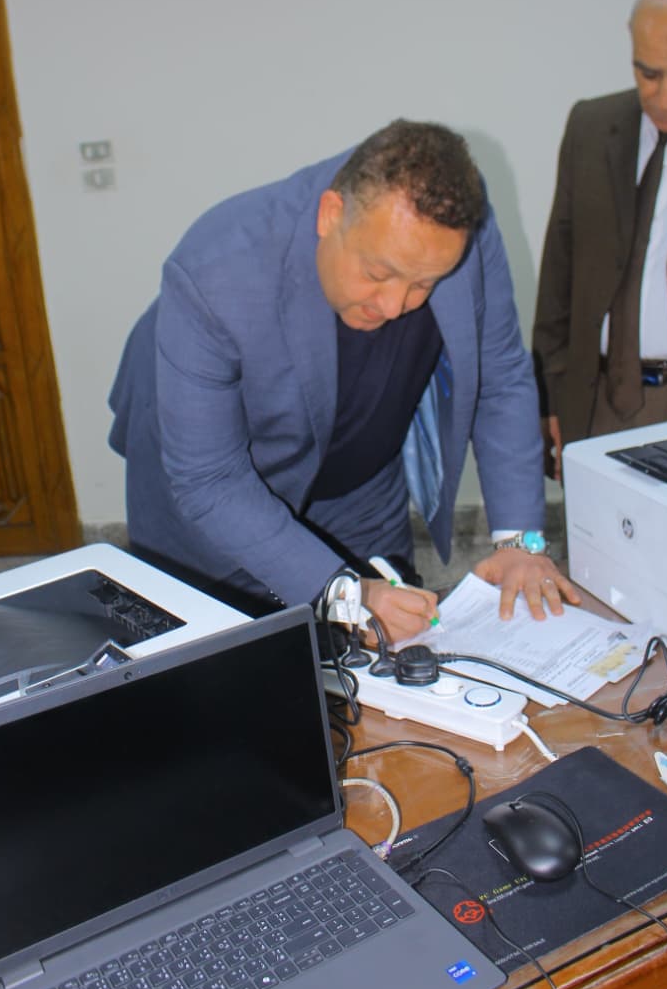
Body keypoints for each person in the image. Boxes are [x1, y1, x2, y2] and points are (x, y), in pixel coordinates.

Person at [109, 118, 578, 642]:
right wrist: (342, 592)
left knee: (389, 637)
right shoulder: (217, 271)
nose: (396, 306)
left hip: (361, 477)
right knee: (236, 653)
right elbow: (210, 481)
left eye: (424, 284)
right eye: (378, 274)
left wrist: (518, 545)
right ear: (331, 215)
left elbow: (501, 376)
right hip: (223, 482)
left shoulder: (455, 226)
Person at [533, 0, 667, 481]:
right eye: (648, 72)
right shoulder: (590, 126)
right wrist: (552, 397)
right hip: (595, 404)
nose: (665, 95)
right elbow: (559, 275)